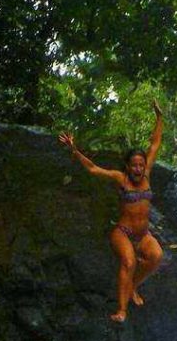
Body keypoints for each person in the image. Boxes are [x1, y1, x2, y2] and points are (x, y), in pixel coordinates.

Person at [58, 100, 165, 323]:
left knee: (156, 257)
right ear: (127, 166)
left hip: (143, 234)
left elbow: (154, 145)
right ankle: (122, 310)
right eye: (134, 165)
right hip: (123, 232)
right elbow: (93, 169)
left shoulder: (147, 176)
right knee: (129, 262)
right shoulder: (121, 178)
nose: (138, 168)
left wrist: (159, 118)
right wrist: (74, 150)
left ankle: (133, 286)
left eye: (141, 165)